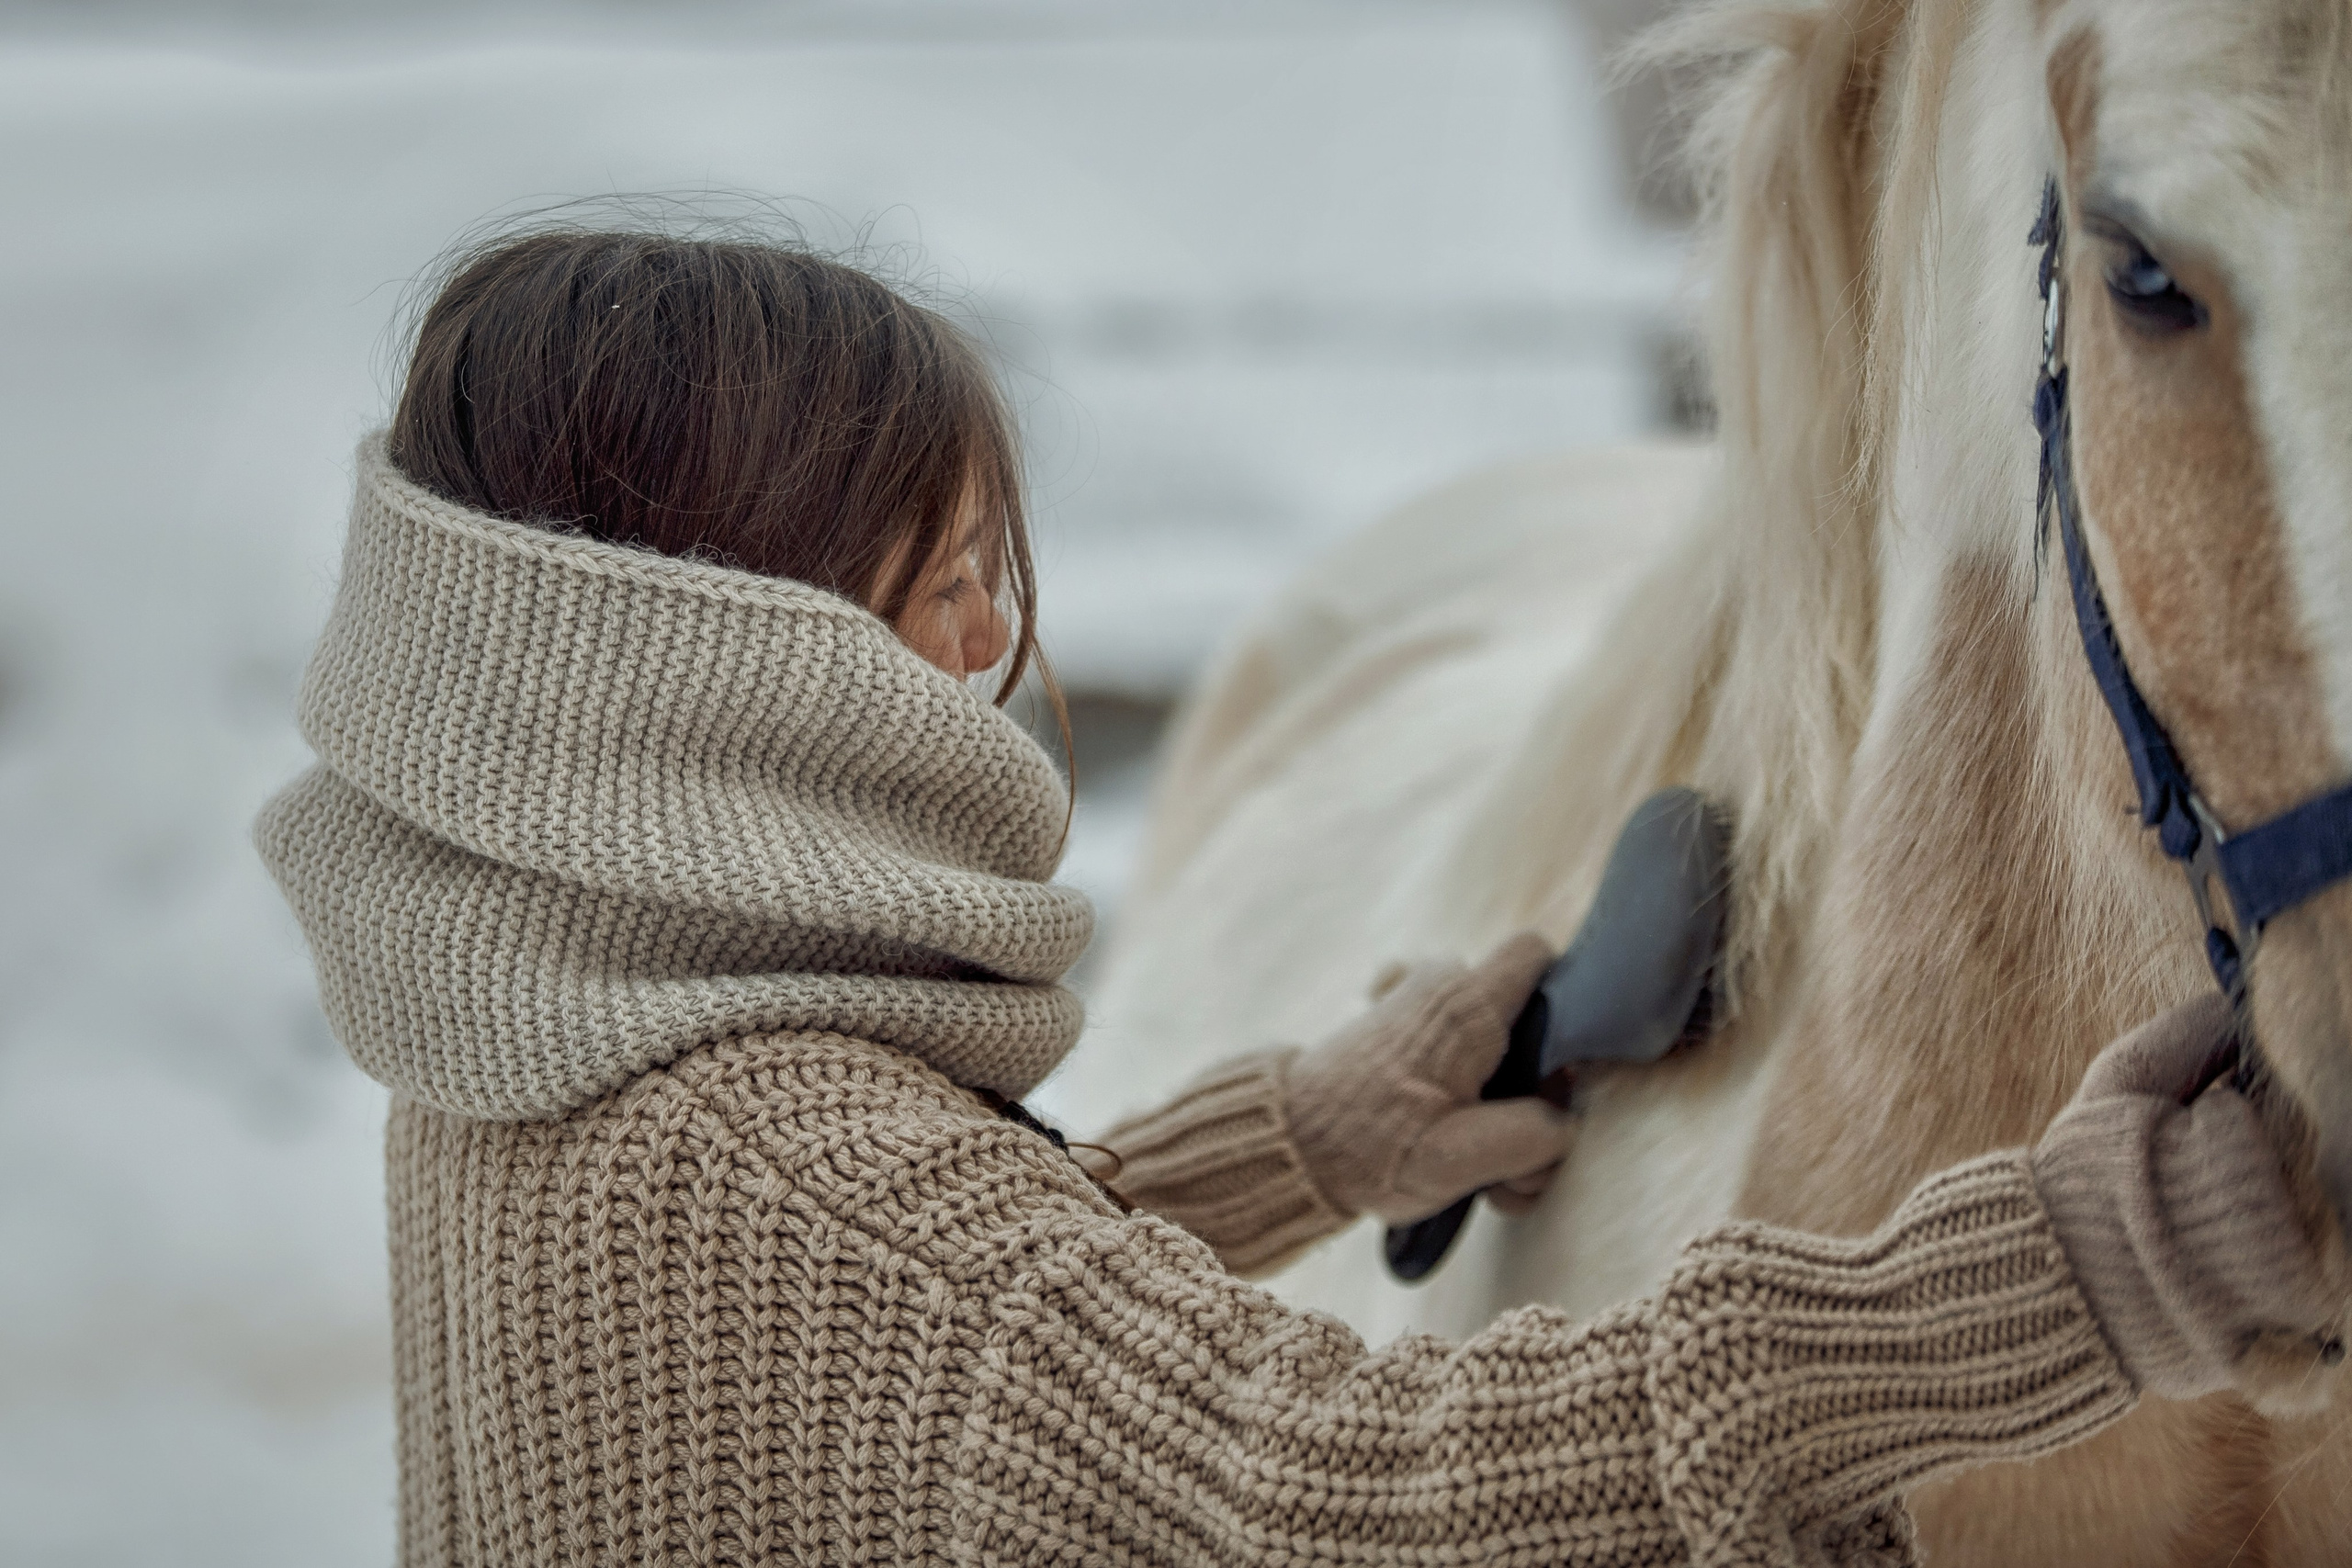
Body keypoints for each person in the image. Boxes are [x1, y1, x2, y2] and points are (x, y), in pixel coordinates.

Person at [256, 229, 2346, 1567]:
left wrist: (1298, 1137)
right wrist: (2066, 1265)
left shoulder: (536, 1033)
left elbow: (856, 1360)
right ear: (698, 655)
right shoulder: (854, 1207)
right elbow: (1358, 1477)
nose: (994, 631)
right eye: (932, 580)